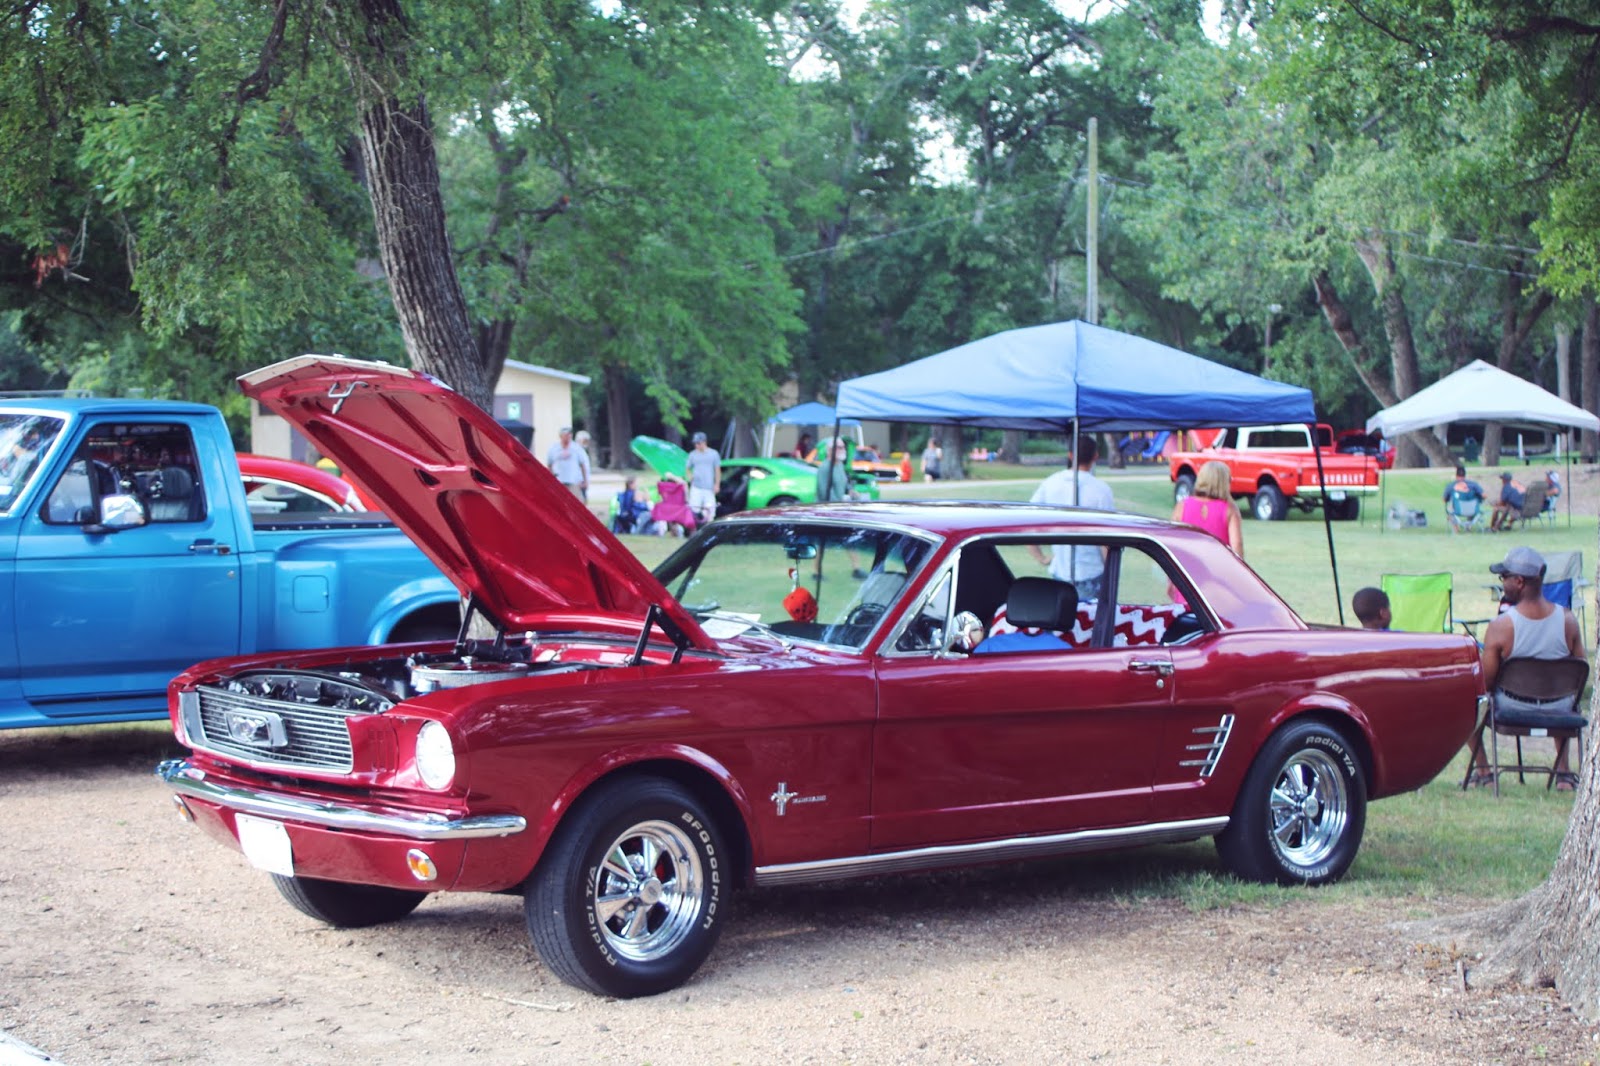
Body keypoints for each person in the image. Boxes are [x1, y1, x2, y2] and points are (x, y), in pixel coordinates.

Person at [1466, 546, 1588, 790]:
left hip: (1512, 707)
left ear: (1519, 582)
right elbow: (1579, 671)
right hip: (1559, 710)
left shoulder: (1501, 626)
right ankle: (1563, 774)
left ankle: (1485, 772)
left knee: (1467, 701)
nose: (1502, 583)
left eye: (1504, 578)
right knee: (1557, 690)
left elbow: (1486, 683)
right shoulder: (1568, 620)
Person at [1028, 434, 1116, 600]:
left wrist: (1041, 557)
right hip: (1091, 572)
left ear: (1070, 455)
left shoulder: (1050, 483)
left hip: (1060, 572)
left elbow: (1028, 524)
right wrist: (1110, 573)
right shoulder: (1101, 489)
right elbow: (1107, 540)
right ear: (1095, 456)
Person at [1169, 459, 1243, 555]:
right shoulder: (1230, 509)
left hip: (1189, 564)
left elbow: (1173, 540)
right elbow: (1237, 545)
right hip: (1219, 565)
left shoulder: (1182, 506)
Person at [685, 431, 721, 525]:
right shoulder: (692, 454)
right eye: (695, 443)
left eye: (698, 443)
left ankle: (709, 527)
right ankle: (694, 528)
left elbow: (717, 470)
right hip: (696, 486)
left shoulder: (713, 454)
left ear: (704, 442)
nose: (696, 445)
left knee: (710, 510)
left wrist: (717, 484)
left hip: (709, 487)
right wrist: (690, 476)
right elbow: (687, 468)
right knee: (694, 508)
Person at [545, 426, 590, 501]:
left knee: (575, 501)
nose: (568, 437)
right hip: (559, 481)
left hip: (573, 481)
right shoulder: (553, 449)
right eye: (566, 435)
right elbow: (549, 465)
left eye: (569, 435)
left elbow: (583, 465)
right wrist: (551, 478)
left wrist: (585, 480)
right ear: (561, 436)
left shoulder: (576, 448)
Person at [1443, 464, 1485, 530]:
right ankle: (1469, 525)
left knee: (1450, 508)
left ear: (1456, 476)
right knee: (1472, 502)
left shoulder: (1450, 486)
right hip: (1473, 510)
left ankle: (1456, 527)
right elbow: (1484, 496)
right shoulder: (1473, 485)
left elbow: (1444, 499)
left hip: (1457, 510)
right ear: (1465, 476)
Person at [816, 437, 854, 503]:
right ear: (830, 450)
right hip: (828, 509)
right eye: (839, 448)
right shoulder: (825, 467)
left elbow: (844, 483)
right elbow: (825, 494)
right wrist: (840, 504)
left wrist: (851, 492)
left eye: (843, 447)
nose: (843, 450)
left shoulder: (840, 464)